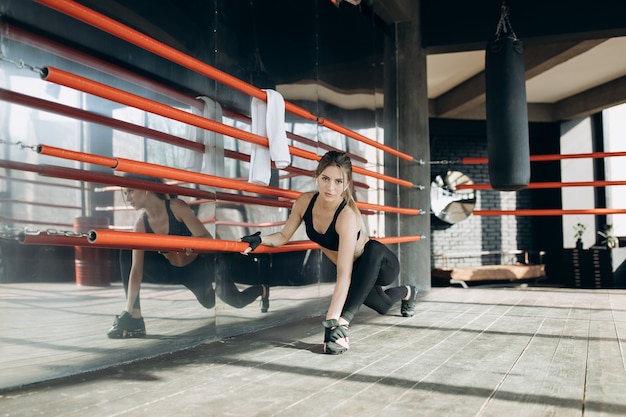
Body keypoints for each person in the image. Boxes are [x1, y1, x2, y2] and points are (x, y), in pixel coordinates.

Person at [240, 150, 417, 354]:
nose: (330, 187)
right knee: (384, 306)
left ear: (347, 184)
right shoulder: (305, 202)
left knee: (373, 249)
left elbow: (344, 274)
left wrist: (333, 321)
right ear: (317, 177)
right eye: (325, 178)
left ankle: (342, 327)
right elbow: (282, 237)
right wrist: (260, 239)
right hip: (357, 273)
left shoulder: (346, 216)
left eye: (338, 181)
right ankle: (409, 291)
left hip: (382, 266)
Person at [107, 174, 269, 339]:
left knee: (232, 301)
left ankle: (262, 289)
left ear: (146, 188)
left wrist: (193, 242)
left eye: (130, 191)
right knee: (126, 250)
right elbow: (136, 271)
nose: (128, 198)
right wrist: (127, 310)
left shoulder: (176, 207)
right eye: (125, 193)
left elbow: (206, 238)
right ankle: (134, 318)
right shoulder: (141, 225)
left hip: (198, 267)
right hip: (173, 270)